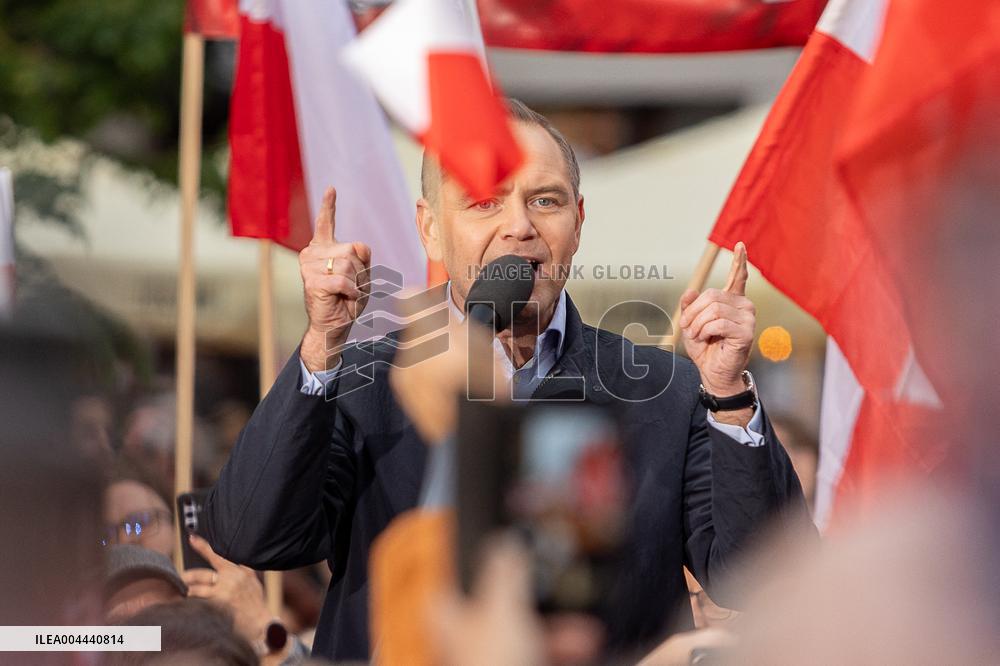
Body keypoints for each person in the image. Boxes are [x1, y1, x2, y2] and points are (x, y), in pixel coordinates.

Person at [204, 99, 812, 661]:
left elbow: (765, 575)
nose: (519, 226)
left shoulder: (664, 387)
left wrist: (729, 393)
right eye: (483, 202)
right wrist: (322, 345)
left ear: (577, 222)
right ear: (430, 228)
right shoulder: (362, 379)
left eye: (544, 201)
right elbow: (256, 536)